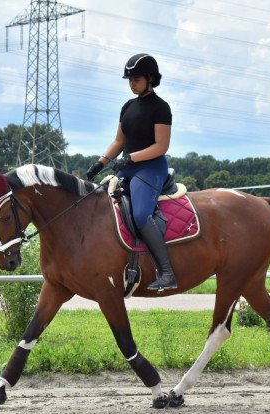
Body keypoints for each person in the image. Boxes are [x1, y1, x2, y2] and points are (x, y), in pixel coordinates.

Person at [86, 53, 177, 292]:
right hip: (128, 167)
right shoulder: (127, 106)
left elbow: (161, 146)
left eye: (136, 79)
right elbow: (118, 141)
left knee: (140, 215)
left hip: (150, 169)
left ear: (150, 78)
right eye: (129, 80)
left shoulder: (161, 108)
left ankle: (167, 272)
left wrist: (130, 158)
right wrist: (101, 162)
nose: (131, 83)